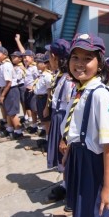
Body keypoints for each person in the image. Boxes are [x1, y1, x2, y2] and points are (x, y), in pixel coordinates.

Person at [59, 33, 109, 217]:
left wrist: (108, 186)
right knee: (82, 210)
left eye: (87, 58)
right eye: (75, 57)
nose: (80, 63)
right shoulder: (79, 89)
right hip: (77, 157)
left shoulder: (99, 94)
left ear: (99, 64)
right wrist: (68, 150)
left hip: (92, 163)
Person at [45, 39, 73, 206]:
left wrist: (65, 135)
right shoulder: (60, 75)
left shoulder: (69, 79)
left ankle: (70, 188)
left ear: (55, 57)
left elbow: (71, 108)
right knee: (61, 155)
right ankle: (65, 184)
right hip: (58, 116)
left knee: (66, 154)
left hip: (64, 119)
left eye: (49, 56)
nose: (48, 59)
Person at [0, 46, 23, 141]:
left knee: (12, 113)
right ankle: (9, 129)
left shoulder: (6, 65)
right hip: (6, 89)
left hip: (11, 90)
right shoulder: (2, 64)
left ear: (5, 55)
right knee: (9, 112)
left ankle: (18, 132)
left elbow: (8, 82)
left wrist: (2, 95)